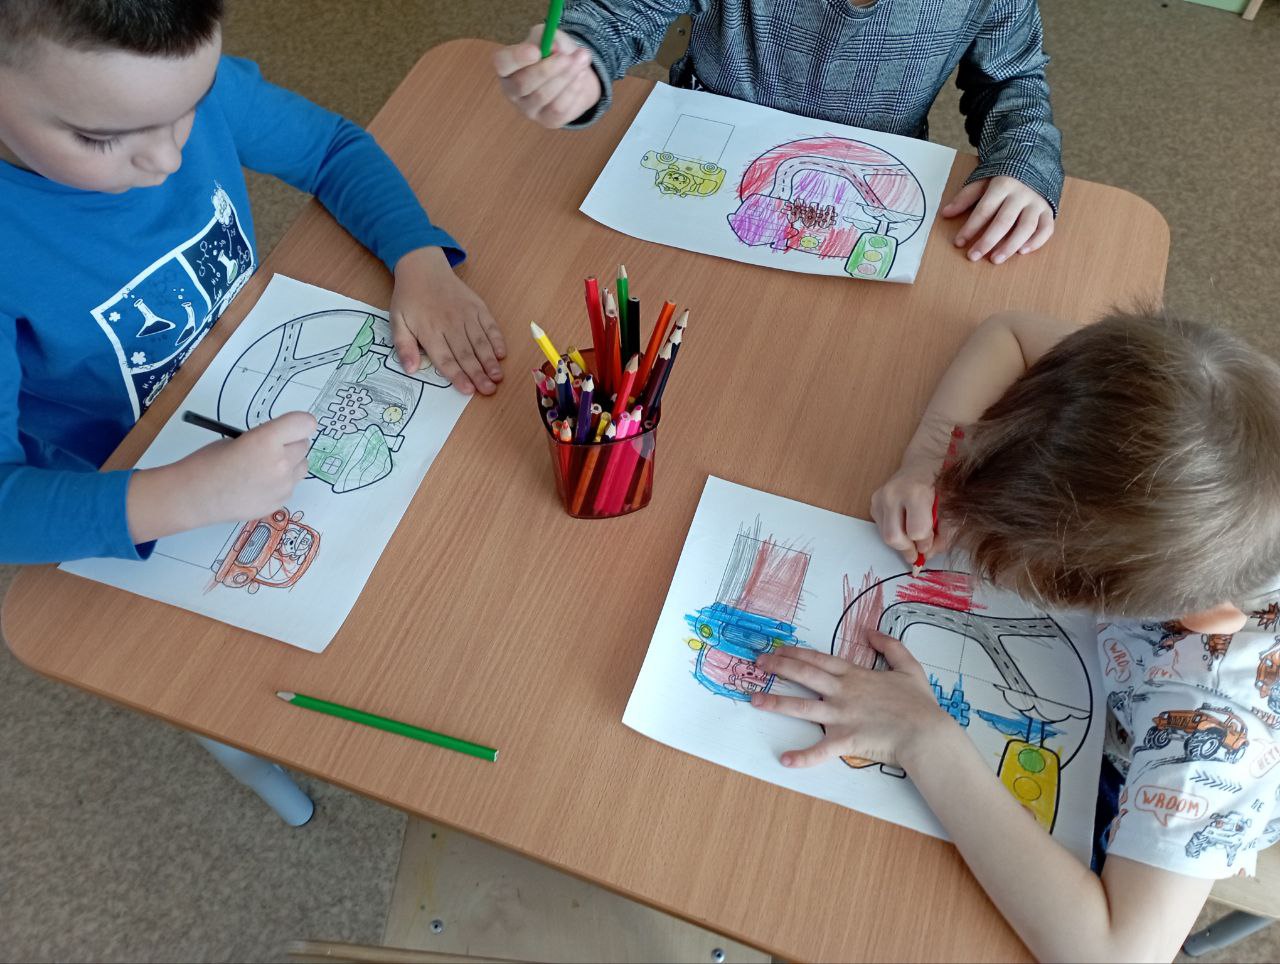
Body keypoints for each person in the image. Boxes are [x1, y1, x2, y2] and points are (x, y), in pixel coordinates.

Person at [756, 309, 1280, 961]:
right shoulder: (1216, 412)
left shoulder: (1206, 730)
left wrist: (922, 736)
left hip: (1150, 762)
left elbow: (1114, 954)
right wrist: (929, 463)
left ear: (1188, 617)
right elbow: (1011, 334)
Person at [0, 0, 507, 565]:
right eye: (100, 139)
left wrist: (416, 255)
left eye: (191, 106)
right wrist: (180, 498)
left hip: (246, 404)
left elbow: (330, 150)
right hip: (108, 494)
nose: (168, 158)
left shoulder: (164, 82)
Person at [494, 0, 1062, 264]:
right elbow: (621, 13)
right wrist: (580, 61)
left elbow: (1010, 80)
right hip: (706, 173)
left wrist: (1023, 163)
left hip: (871, 188)